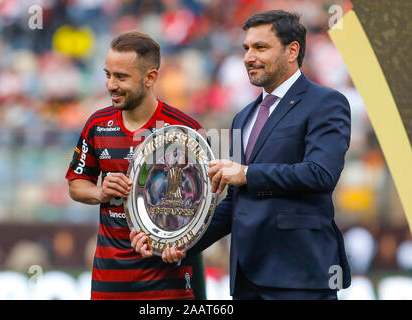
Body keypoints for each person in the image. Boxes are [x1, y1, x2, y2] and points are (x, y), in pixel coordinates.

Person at [131, 10, 352, 300]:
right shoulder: (243, 117)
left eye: (261, 47)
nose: (249, 57)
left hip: (300, 276)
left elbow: (321, 173)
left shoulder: (326, 103)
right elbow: (235, 203)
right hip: (246, 278)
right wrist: (178, 241)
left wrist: (246, 173)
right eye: (246, 48)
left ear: (292, 51)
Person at [66, 31, 206, 300]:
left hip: (168, 286)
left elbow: (203, 212)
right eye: (107, 74)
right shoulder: (97, 124)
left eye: (121, 77)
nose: (110, 84)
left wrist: (177, 243)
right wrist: (100, 192)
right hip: (109, 283)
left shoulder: (185, 131)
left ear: (150, 77)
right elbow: (76, 184)